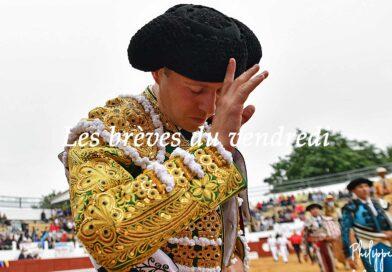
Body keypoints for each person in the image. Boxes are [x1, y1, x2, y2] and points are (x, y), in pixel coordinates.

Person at [59, 4, 267, 272]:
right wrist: (215, 153)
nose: (210, 108)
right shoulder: (108, 130)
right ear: (158, 72)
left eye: (219, 94)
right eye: (196, 90)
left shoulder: (205, 134)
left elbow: (224, 243)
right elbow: (104, 235)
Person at [341, 177, 392, 272]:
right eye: (360, 187)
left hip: (385, 244)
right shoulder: (350, 208)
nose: (364, 189)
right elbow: (345, 231)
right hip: (367, 247)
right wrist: (348, 255)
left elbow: (388, 220)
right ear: (353, 190)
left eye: (366, 186)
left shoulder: (379, 203)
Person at [303, 203, 336, 272]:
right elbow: (305, 238)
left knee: (332, 263)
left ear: (319, 210)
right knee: (322, 265)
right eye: (312, 209)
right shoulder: (307, 222)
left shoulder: (326, 220)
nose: (315, 210)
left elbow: (333, 231)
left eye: (316, 208)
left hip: (328, 244)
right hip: (317, 246)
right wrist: (305, 252)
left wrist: (332, 237)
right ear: (310, 211)